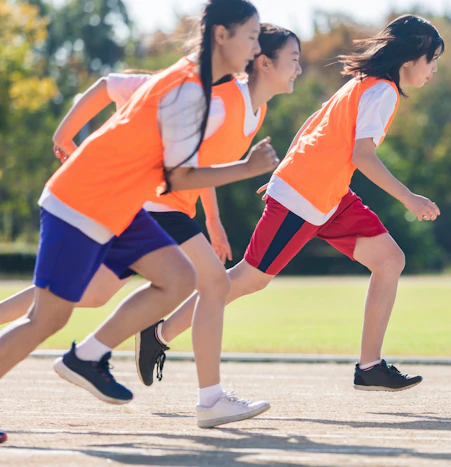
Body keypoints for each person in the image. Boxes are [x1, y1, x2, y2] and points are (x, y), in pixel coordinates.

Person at [0, 0, 279, 433]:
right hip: (83, 200)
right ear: (221, 35)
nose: (256, 46)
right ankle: (87, 357)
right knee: (47, 318)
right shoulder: (190, 90)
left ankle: (88, 357)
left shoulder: (195, 82)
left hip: (118, 205)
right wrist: (248, 168)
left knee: (179, 278)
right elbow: (178, 177)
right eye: (251, 36)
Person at [138, 14, 444, 392]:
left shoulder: (364, 84)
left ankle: (369, 367)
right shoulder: (381, 91)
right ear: (410, 58)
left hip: (329, 197)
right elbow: (363, 155)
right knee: (248, 279)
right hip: (305, 196)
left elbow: (313, 123)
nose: (433, 69)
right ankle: (159, 333)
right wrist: (409, 198)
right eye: (432, 59)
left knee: (389, 260)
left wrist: (283, 170)